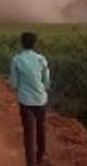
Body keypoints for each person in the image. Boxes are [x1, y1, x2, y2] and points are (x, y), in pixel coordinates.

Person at [11, 31, 51, 166]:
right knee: (41, 129)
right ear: (35, 44)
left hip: (25, 101)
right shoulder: (41, 59)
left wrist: (22, 88)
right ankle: (40, 158)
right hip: (41, 100)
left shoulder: (16, 60)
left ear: (21, 43)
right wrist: (41, 89)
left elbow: (14, 83)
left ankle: (31, 163)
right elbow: (47, 82)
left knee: (29, 133)